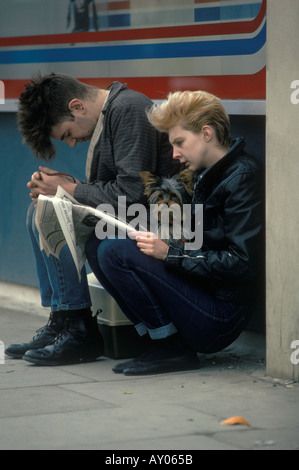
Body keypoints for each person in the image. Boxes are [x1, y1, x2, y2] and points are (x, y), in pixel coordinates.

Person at [86, 90, 264, 375]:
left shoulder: (242, 177)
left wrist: (171, 253)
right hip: (197, 292)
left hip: (220, 316)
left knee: (114, 250)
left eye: (179, 142)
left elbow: (243, 263)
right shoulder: (204, 174)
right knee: (99, 243)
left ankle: (172, 349)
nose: (174, 154)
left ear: (206, 133)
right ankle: (159, 341)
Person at [5, 73, 178, 365]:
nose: (73, 143)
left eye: (68, 134)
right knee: (39, 210)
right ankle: (63, 320)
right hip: (133, 217)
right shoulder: (113, 112)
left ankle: (78, 327)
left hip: (157, 224)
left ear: (77, 107)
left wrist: (71, 189)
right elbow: (118, 191)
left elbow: (132, 194)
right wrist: (66, 184)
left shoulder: (129, 109)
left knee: (53, 212)